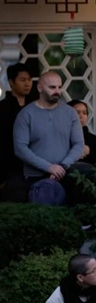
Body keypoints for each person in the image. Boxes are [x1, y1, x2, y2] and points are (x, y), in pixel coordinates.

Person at [13, 71, 96, 210]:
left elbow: (78, 144)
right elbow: (20, 149)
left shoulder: (70, 112)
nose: (57, 91)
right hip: (37, 175)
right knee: (46, 201)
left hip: (65, 171)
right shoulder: (26, 114)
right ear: (40, 88)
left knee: (87, 171)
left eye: (59, 87)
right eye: (52, 87)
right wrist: (49, 167)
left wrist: (63, 166)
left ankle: (85, 223)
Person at [0, 63, 35, 201]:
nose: (27, 83)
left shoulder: (36, 106)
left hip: (35, 167)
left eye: (29, 79)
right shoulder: (3, 108)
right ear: (11, 82)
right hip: (10, 170)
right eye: (22, 80)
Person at [68, 99, 96, 168]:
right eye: (77, 112)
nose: (81, 116)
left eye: (84, 113)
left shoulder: (92, 138)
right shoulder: (61, 136)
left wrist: (89, 151)